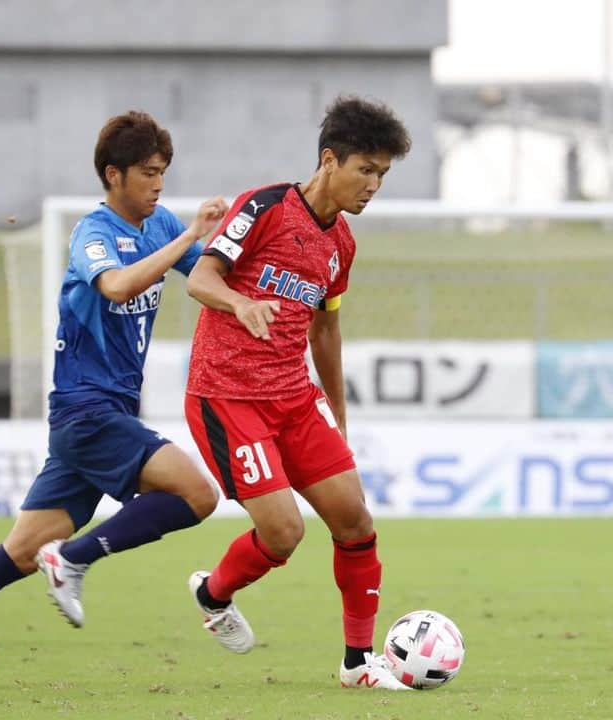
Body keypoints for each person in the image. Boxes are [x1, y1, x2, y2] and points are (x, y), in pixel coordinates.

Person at [0, 112, 226, 687]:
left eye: (163, 172)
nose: (159, 184)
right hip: (87, 409)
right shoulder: (94, 233)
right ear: (115, 174)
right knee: (197, 493)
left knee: (18, 552)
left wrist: (247, 257)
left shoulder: (158, 226)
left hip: (101, 417)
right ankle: (76, 558)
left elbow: (206, 275)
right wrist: (191, 234)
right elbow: (116, 285)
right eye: (149, 173)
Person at [182, 96, 411, 690]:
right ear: (329, 160)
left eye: (382, 174)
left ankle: (359, 663)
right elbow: (202, 278)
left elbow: (326, 327)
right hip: (228, 396)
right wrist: (241, 302)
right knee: (285, 533)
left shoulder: (342, 246)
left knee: (355, 520)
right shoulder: (263, 207)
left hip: (294, 396)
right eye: (366, 169)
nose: (373, 185)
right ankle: (213, 594)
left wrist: (336, 410)